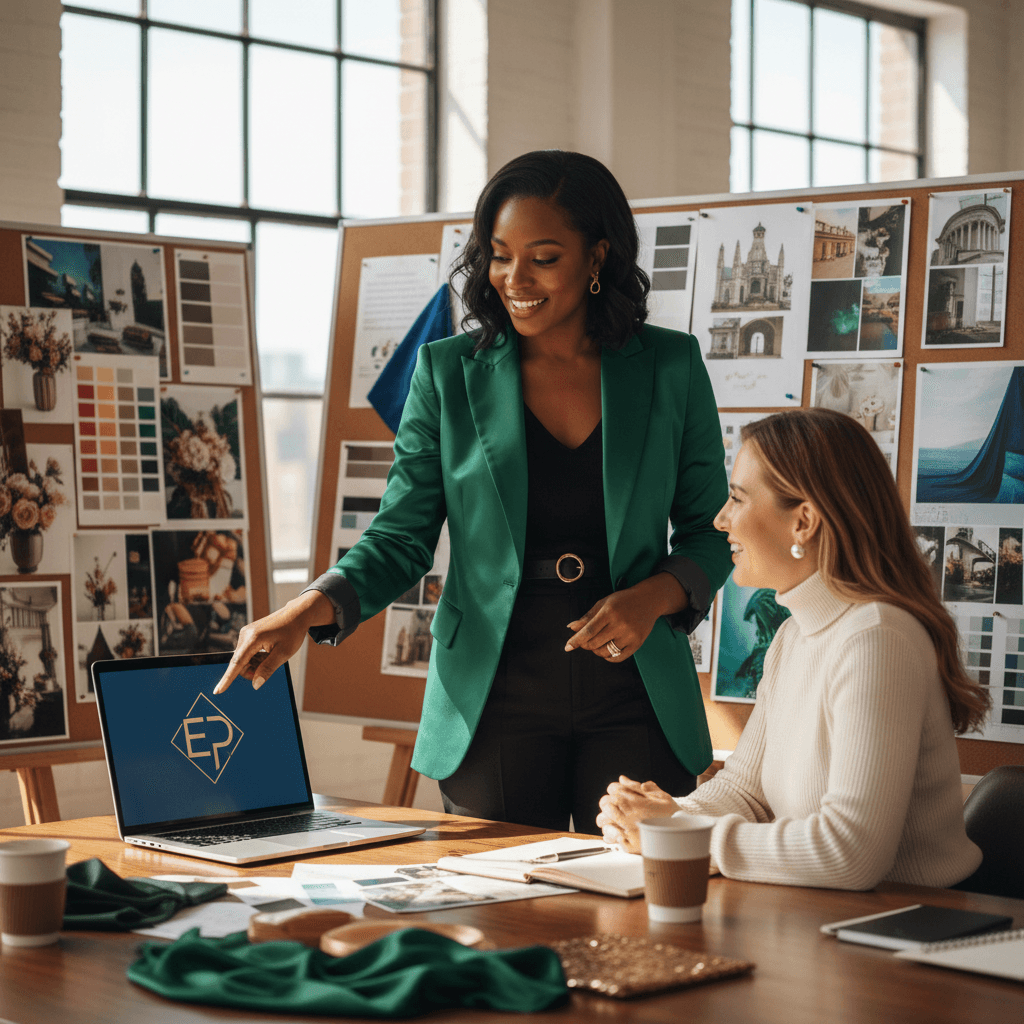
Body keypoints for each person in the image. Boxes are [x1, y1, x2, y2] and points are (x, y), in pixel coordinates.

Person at [215, 150, 733, 832]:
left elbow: (711, 530)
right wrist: (309, 609)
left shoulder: (670, 365)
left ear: (597, 255)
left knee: (637, 903)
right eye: (498, 255)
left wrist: (653, 597)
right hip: (493, 695)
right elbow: (402, 536)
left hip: (635, 688)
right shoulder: (447, 373)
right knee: (496, 904)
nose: (515, 278)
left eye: (543, 257)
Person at [597, 408, 988, 889]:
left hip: (907, 930)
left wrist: (681, 832)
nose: (721, 520)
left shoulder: (878, 638)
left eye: (737, 499)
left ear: (803, 522)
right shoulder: (793, 636)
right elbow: (746, 790)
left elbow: (850, 853)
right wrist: (662, 814)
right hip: (826, 922)